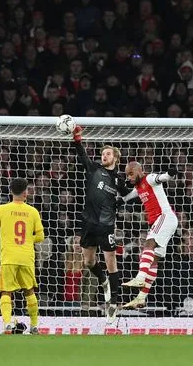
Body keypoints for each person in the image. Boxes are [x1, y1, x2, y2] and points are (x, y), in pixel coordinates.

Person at [0, 178, 45, 334]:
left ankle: (7, 324)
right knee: (29, 291)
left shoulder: (2, 209)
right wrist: (27, 240)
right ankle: (34, 326)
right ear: (25, 192)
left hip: (8, 257)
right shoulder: (33, 211)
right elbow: (40, 236)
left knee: (6, 291)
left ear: (11, 192)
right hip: (26, 257)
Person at [70, 125, 127, 322]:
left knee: (111, 261)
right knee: (88, 262)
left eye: (108, 153)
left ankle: (113, 303)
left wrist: (123, 200)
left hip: (106, 225)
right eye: (103, 153)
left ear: (115, 158)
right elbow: (82, 156)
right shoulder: (94, 168)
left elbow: (131, 196)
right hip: (88, 223)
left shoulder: (120, 179)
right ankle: (102, 280)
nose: (104, 156)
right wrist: (77, 139)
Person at [120, 161, 179, 309]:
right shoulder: (138, 188)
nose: (129, 177)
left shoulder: (149, 178)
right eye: (127, 175)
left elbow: (162, 178)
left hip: (165, 216)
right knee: (153, 261)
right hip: (163, 222)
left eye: (131, 173)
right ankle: (141, 298)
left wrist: (170, 174)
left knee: (149, 243)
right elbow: (126, 197)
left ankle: (140, 278)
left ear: (139, 171)